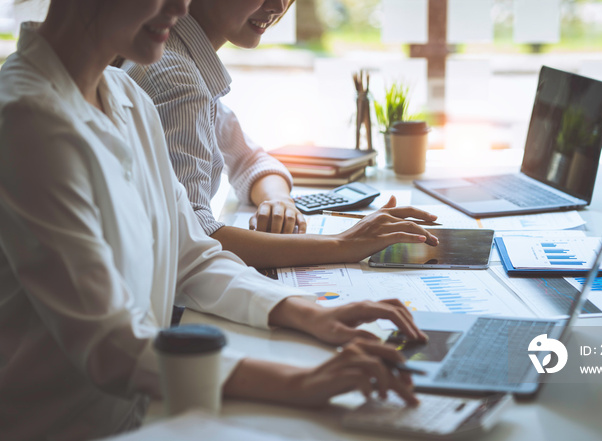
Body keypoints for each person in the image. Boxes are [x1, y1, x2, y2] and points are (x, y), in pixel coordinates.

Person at [0, 1, 426, 439]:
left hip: (142, 408)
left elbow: (192, 254)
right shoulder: (25, 118)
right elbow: (111, 345)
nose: (181, 6)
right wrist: (299, 382)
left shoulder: (126, 95)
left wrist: (306, 312)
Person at [126, 0, 440, 269]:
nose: (278, 6)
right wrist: (342, 244)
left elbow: (249, 159)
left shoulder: (187, 64)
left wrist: (278, 199)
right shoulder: (178, 80)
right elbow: (194, 239)